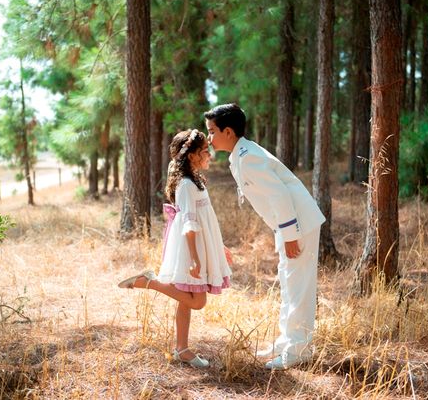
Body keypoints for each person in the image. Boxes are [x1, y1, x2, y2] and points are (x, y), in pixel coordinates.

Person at [204, 103, 325, 371]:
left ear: (228, 131)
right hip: (287, 225)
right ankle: (286, 341)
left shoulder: (248, 157)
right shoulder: (241, 154)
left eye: (212, 132)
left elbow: (279, 195)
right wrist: (283, 232)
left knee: (299, 287)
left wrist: (291, 234)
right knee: (287, 282)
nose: (209, 139)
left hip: (298, 224)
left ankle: (298, 349)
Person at [118, 129, 232, 369]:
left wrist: (219, 247)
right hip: (191, 248)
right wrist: (194, 259)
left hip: (201, 244)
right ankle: (148, 282)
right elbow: (190, 224)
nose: (209, 154)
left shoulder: (196, 181)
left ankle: (183, 349)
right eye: (204, 151)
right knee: (197, 301)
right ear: (191, 156)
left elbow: (205, 220)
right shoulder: (187, 186)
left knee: (187, 299)